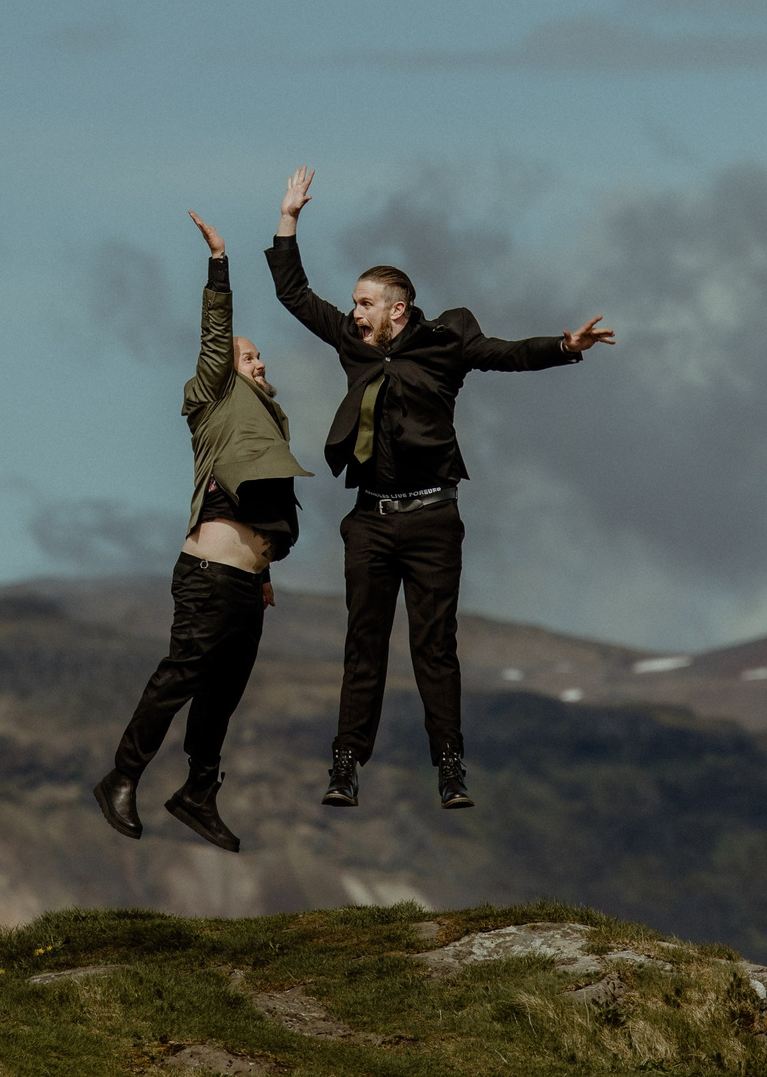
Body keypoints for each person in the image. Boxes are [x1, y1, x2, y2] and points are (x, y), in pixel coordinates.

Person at [266, 166, 614, 811]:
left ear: (397, 308)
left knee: (435, 648)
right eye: (353, 304)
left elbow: (506, 353)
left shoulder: (448, 339)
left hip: (432, 520)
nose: (353, 312)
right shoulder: (353, 342)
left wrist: (566, 345)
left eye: (365, 302)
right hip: (368, 520)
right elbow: (294, 294)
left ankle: (450, 768)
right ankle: (344, 766)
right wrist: (289, 218)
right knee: (362, 645)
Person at [93, 209, 312, 853]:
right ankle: (122, 775)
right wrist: (219, 262)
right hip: (209, 573)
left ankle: (198, 791)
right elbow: (217, 335)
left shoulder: (271, 422)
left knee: (223, 693)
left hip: (245, 584)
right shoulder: (213, 395)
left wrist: (265, 572)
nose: (258, 359)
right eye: (249, 355)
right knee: (183, 672)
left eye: (261, 353)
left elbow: (263, 500)